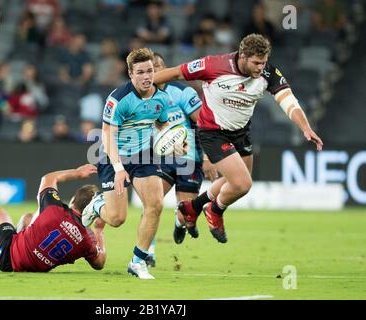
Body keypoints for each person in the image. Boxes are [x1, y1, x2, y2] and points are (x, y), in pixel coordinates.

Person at [154, 33, 323, 244]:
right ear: (242, 56)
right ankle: (214, 211)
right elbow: (176, 73)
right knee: (243, 184)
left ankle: (192, 208)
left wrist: (305, 127)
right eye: (256, 62)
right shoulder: (213, 65)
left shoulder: (268, 73)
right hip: (213, 132)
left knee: (232, 182)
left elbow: (288, 100)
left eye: (263, 62)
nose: (260, 67)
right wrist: (141, 87)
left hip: (241, 133)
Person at [81, 48, 177, 280]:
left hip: (143, 156)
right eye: (141, 72)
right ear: (130, 74)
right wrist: (118, 169)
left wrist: (175, 140)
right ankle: (96, 206)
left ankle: (138, 261)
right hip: (113, 156)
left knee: (155, 205)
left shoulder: (162, 98)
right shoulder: (119, 99)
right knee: (116, 219)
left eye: (150, 71)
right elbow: (107, 136)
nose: (147, 76)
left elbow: (162, 125)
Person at [0, 164, 107, 272]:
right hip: (34, 267)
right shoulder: (87, 240)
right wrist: (99, 231)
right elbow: (99, 263)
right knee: (27, 218)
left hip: (6, 256)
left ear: (73, 200)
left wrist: (78, 172)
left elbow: (48, 178)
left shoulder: (55, 209)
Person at [145, 52, 217, 267]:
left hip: (190, 160)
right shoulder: (143, 97)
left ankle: (180, 222)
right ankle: (147, 253)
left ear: (166, 70)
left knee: (185, 213)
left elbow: (204, 124)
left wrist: (208, 156)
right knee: (152, 205)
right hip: (161, 160)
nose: (154, 71)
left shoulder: (183, 92)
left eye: (157, 66)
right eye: (150, 68)